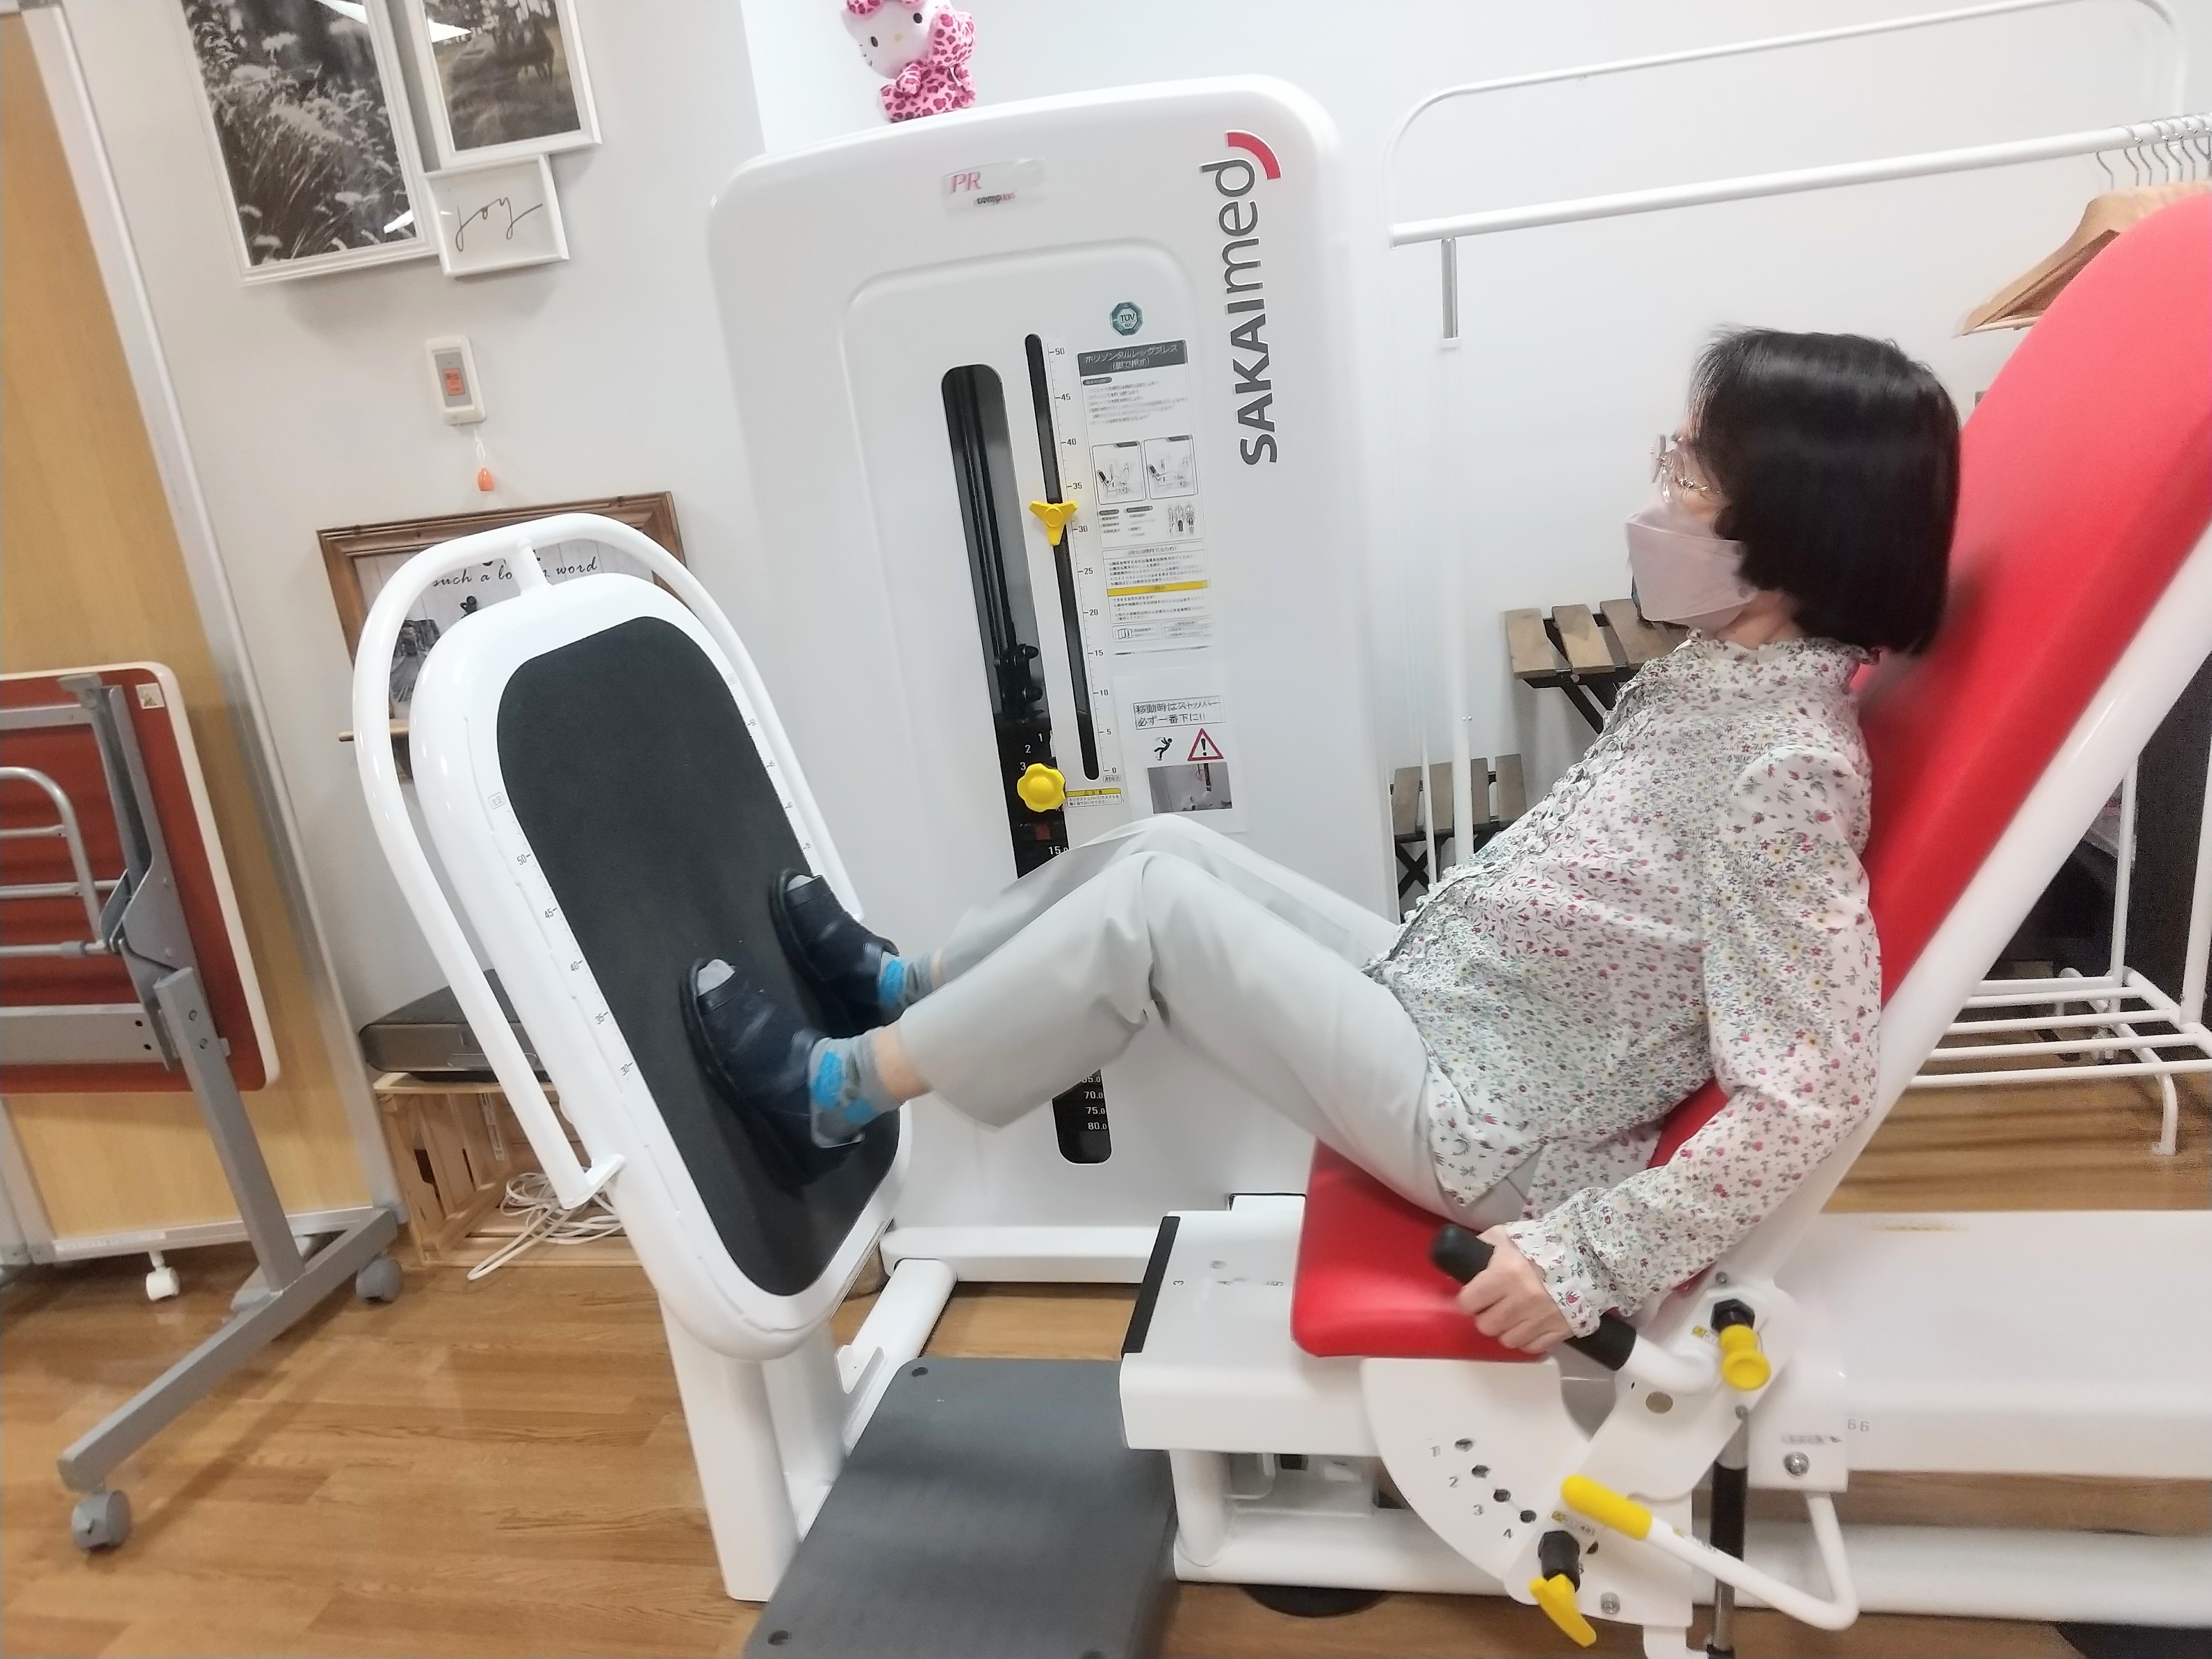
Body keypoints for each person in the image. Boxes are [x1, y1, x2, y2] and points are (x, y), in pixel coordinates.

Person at [685, 328, 1959, 1355]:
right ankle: (907, 988)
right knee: (1164, 851)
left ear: (1787, 536)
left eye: (1685, 474)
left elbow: (1808, 1087)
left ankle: (833, 1096)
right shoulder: (1723, 677)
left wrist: (1583, 1257)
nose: (1653, 498)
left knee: (1152, 920)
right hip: (1463, 1012)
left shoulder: (1785, 767)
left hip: (1488, 1126)